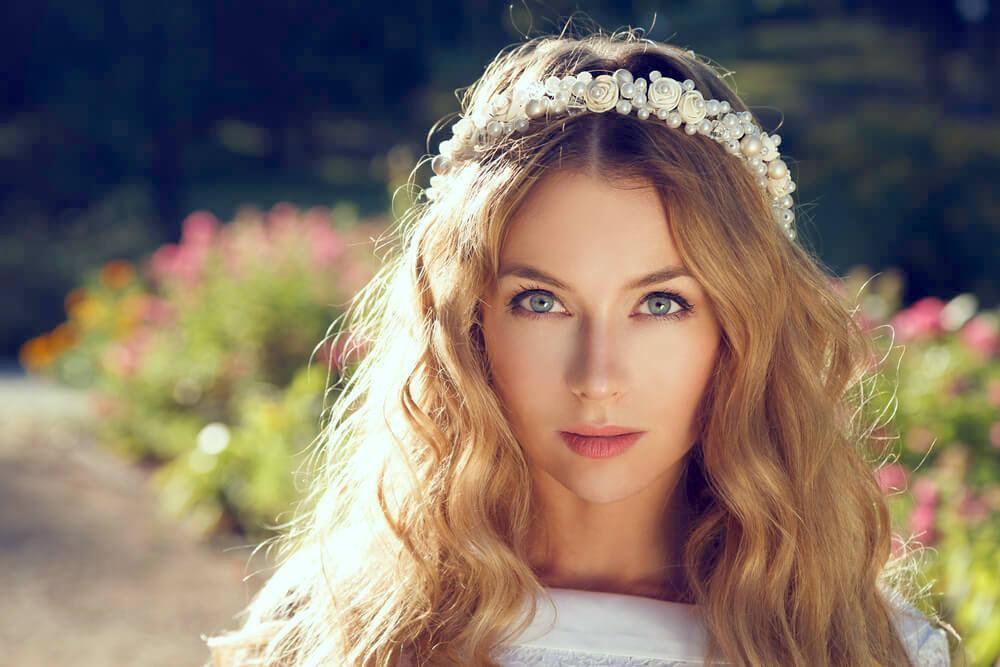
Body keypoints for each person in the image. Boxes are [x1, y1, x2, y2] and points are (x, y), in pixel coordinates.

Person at [202, 27, 956, 666]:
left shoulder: (870, 646)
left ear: (740, 328)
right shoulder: (330, 627)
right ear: (466, 326)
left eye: (661, 303)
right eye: (542, 302)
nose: (598, 378)